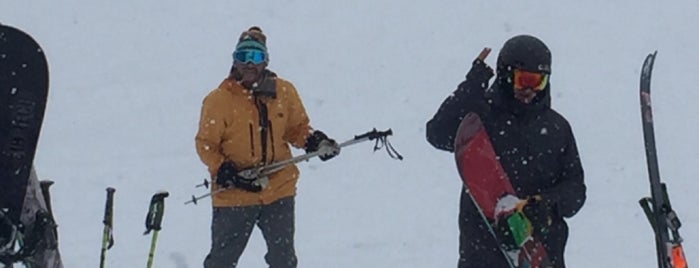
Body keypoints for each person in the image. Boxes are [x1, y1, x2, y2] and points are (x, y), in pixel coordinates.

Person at [426, 35, 586, 268]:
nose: (530, 90)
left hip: (544, 256)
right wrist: (474, 83)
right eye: (524, 80)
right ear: (506, 75)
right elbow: (438, 133)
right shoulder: (480, 119)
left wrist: (546, 205)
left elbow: (576, 191)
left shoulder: (557, 128)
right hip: (483, 257)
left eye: (538, 82)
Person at [195, 26, 340, 268]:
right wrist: (223, 169)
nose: (250, 64)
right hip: (235, 193)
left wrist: (315, 141)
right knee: (222, 261)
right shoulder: (218, 100)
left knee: (283, 260)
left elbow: (297, 128)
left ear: (266, 61)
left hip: (279, 189)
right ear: (234, 62)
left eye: (257, 57)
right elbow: (206, 144)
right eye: (243, 57)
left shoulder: (284, 91)